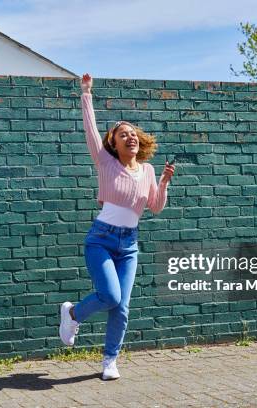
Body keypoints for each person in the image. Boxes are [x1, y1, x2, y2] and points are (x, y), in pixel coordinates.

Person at [59, 73, 175, 380]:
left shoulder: (149, 170)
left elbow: (155, 207)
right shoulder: (105, 163)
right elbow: (90, 129)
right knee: (110, 296)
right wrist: (86, 93)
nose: (131, 137)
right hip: (101, 240)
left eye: (133, 133)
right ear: (113, 143)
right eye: (123, 134)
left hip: (129, 244)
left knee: (121, 307)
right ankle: (72, 314)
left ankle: (110, 360)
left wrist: (163, 183)